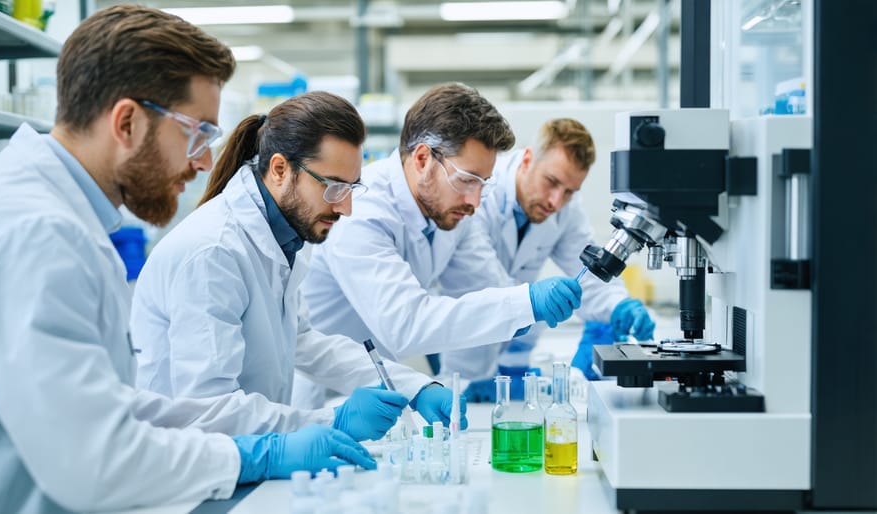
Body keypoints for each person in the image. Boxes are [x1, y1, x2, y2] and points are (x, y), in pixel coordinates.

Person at [0, 6, 373, 513]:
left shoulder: (62, 218)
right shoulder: (39, 232)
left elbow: (114, 407)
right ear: (126, 122)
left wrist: (306, 427)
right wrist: (250, 455)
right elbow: (96, 461)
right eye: (197, 133)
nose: (207, 160)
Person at [130, 91, 465, 439]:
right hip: (193, 466)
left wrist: (415, 387)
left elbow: (301, 341)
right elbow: (209, 408)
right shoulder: (213, 253)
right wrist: (331, 421)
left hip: (246, 454)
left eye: (351, 188)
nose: (345, 208)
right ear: (280, 169)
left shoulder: (287, 234)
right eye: (334, 188)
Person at [300, 83, 584, 371]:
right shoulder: (362, 212)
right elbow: (405, 326)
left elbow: (487, 287)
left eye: (483, 184)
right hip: (325, 390)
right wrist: (526, 303)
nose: (474, 201)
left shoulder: (453, 213)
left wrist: (529, 311)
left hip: (380, 375)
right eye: (467, 179)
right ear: (423, 159)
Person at [440, 118, 655, 389]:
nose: (556, 201)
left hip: (516, 358)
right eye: (551, 182)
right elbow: (482, 283)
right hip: (466, 358)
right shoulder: (481, 196)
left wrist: (618, 306)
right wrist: (533, 299)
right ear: (528, 159)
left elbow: (590, 272)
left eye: (569, 191)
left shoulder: (566, 208)